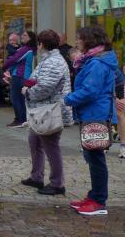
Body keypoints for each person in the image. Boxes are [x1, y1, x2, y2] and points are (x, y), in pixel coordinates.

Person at [65, 26, 124, 216]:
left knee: (95, 157)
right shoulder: (95, 60)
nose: (77, 42)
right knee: (92, 156)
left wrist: (67, 99)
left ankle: (98, 201)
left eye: (79, 38)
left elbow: (90, 91)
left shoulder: (97, 63)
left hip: (95, 113)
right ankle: (94, 196)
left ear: (89, 40)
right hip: (93, 112)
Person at [19, 30, 71, 196]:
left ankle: (57, 183)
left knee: (51, 146)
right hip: (42, 111)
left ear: (41, 44)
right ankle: (37, 177)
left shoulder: (53, 61)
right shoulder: (48, 59)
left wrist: (28, 92)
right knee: (34, 141)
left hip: (50, 110)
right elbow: (37, 79)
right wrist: (28, 84)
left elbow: (45, 87)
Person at [3, 31, 35, 128]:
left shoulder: (26, 49)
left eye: (25, 35)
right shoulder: (27, 49)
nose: (22, 36)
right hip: (22, 75)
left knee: (16, 98)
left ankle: (20, 119)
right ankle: (22, 119)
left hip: (19, 75)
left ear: (30, 38)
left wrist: (5, 65)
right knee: (20, 99)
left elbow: (14, 59)